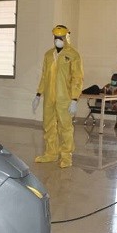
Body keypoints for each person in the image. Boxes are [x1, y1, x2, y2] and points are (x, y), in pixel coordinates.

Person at [32, 24, 84, 168]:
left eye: (60, 37)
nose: (57, 40)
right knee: (48, 126)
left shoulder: (73, 55)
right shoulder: (48, 55)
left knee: (65, 127)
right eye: (55, 37)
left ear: (66, 37)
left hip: (64, 98)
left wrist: (74, 99)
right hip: (49, 97)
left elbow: (77, 78)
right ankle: (51, 153)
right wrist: (38, 94)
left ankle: (66, 156)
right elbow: (44, 76)